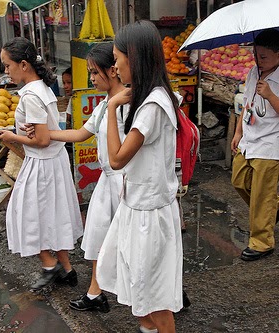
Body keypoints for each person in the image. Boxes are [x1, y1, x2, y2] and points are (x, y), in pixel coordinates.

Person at [96, 20, 183, 333]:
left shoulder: (153, 105)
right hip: (136, 206)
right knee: (135, 287)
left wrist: (110, 110)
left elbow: (117, 159)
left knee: (155, 297)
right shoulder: (146, 98)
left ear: (134, 59)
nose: (116, 67)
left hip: (150, 213)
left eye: (118, 59)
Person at [0, 37, 83, 292]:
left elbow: (42, 139)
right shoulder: (42, 88)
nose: (6, 71)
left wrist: (13, 137)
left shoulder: (31, 95)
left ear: (23, 65)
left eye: (7, 65)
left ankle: (49, 265)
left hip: (42, 163)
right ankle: (66, 269)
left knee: (27, 216)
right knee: (53, 216)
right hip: (52, 162)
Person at [47, 43, 127, 313]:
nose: (91, 78)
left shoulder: (129, 104)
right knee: (97, 237)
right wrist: (47, 136)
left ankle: (165, 298)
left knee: (131, 245)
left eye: (95, 72)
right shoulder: (105, 105)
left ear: (113, 70)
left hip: (127, 184)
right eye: (90, 72)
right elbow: (81, 134)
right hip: (108, 181)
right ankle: (96, 293)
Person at [230, 28, 279, 261]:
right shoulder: (254, 72)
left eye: (263, 57)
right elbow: (247, 104)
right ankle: (277, 204)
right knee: (239, 181)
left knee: (261, 195)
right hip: (250, 139)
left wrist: (271, 95)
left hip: (272, 142)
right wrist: (238, 131)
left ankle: (262, 242)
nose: (258, 60)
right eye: (256, 55)